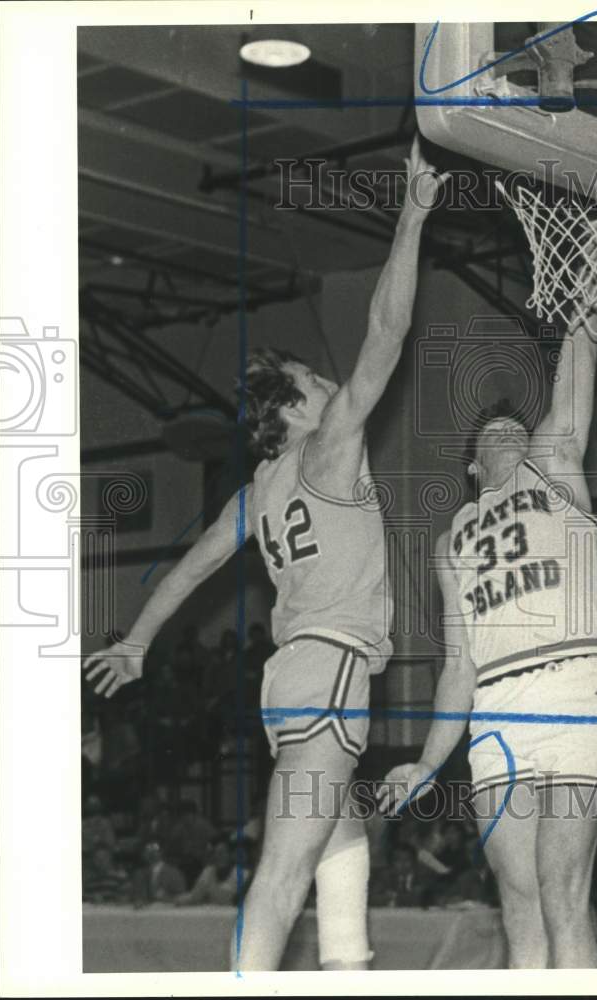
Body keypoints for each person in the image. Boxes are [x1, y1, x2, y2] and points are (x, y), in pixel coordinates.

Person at [83, 136, 449, 971]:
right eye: (313, 383)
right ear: (291, 411)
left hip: (298, 679)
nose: (330, 386)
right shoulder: (322, 454)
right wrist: (413, 220)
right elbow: (386, 336)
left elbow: (192, 567)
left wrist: (138, 640)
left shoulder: (254, 494)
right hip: (325, 671)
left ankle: (349, 972)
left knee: (340, 846)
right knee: (284, 875)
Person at [379, 260, 597, 967]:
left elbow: (573, 388)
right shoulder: (453, 534)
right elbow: (457, 663)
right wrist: (429, 763)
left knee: (562, 892)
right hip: (496, 703)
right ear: (470, 466)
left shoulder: (553, 464)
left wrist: (585, 299)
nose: (503, 429)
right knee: (517, 900)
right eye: (489, 432)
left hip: (575, 683)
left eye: (511, 425)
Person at [175, 837, 242, 906]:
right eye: (214, 853)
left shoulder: (243, 875)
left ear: (231, 855)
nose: (217, 857)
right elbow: (194, 897)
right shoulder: (207, 872)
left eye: (221, 853)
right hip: (214, 915)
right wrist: (176, 899)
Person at [131, 840, 186, 907]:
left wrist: (167, 898)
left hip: (167, 912)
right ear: (143, 854)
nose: (151, 853)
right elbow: (135, 896)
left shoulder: (174, 874)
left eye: (154, 849)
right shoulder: (139, 874)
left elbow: (182, 898)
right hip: (143, 913)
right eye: (147, 850)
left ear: (161, 852)